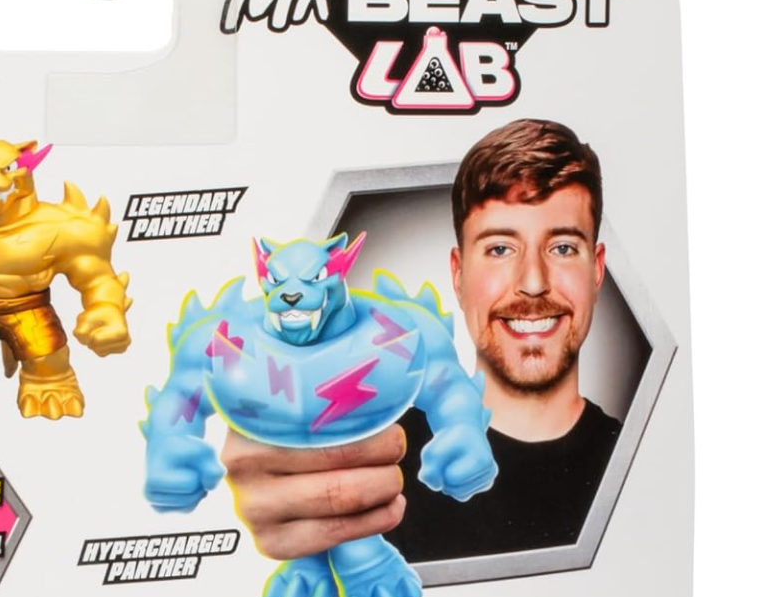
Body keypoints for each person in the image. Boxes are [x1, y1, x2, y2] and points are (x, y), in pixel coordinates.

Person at [223, 119, 623, 565]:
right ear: (458, 274)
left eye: (563, 248)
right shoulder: (371, 456)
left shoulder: (641, 460)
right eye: (500, 249)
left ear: (596, 270)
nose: (533, 283)